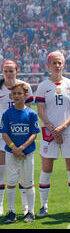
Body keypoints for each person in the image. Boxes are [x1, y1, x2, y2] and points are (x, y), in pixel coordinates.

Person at [35, 51, 70, 216]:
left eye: (59, 62)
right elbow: (40, 110)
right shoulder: (43, 86)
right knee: (46, 168)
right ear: (48, 65)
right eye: (53, 63)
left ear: (64, 64)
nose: (57, 66)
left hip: (68, 132)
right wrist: (52, 129)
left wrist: (63, 127)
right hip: (49, 133)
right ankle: (43, 206)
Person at [1, 83, 40, 223]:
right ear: (11, 96)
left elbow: (34, 134)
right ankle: (11, 212)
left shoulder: (31, 113)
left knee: (28, 182)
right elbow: (4, 133)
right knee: (11, 182)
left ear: (26, 95)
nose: (17, 96)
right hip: (11, 153)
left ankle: (30, 212)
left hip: (27, 153)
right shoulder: (7, 113)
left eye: (20, 93)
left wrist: (22, 147)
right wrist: (14, 148)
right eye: (14, 94)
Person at [0, 60, 34, 216]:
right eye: (5, 71)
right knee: (3, 172)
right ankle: (2, 206)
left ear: (16, 71)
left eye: (11, 71)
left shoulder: (25, 87)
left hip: (20, 136)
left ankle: (26, 207)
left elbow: (29, 113)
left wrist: (22, 145)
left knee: (23, 174)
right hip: (4, 134)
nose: (8, 74)